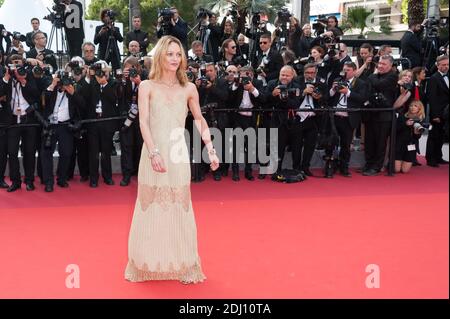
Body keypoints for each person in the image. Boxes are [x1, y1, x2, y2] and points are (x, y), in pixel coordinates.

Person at [125, 36, 219, 284]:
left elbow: (199, 119)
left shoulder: (189, 88)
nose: (175, 59)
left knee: (179, 208)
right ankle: (146, 264)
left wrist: (211, 148)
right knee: (150, 208)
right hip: (153, 152)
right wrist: (154, 151)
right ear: (160, 57)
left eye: (178, 54)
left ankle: (182, 263)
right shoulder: (147, 86)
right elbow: (143, 122)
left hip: (177, 155)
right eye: (169, 54)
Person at [426, 55, 449, 167]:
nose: (446, 67)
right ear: (438, 65)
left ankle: (438, 157)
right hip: (437, 112)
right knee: (434, 136)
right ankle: (431, 159)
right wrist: (435, 115)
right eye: (444, 65)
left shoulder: (448, 76)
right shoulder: (433, 79)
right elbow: (432, 98)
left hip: (447, 112)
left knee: (441, 136)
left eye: (448, 64)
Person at [395, 100, 426, 173]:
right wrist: (405, 124)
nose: (413, 107)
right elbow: (395, 129)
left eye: (415, 106)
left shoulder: (420, 120)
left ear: (419, 108)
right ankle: (394, 161)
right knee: (396, 170)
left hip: (411, 145)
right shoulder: (402, 116)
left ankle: (402, 161)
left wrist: (416, 133)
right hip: (399, 144)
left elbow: (417, 137)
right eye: (411, 105)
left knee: (405, 171)